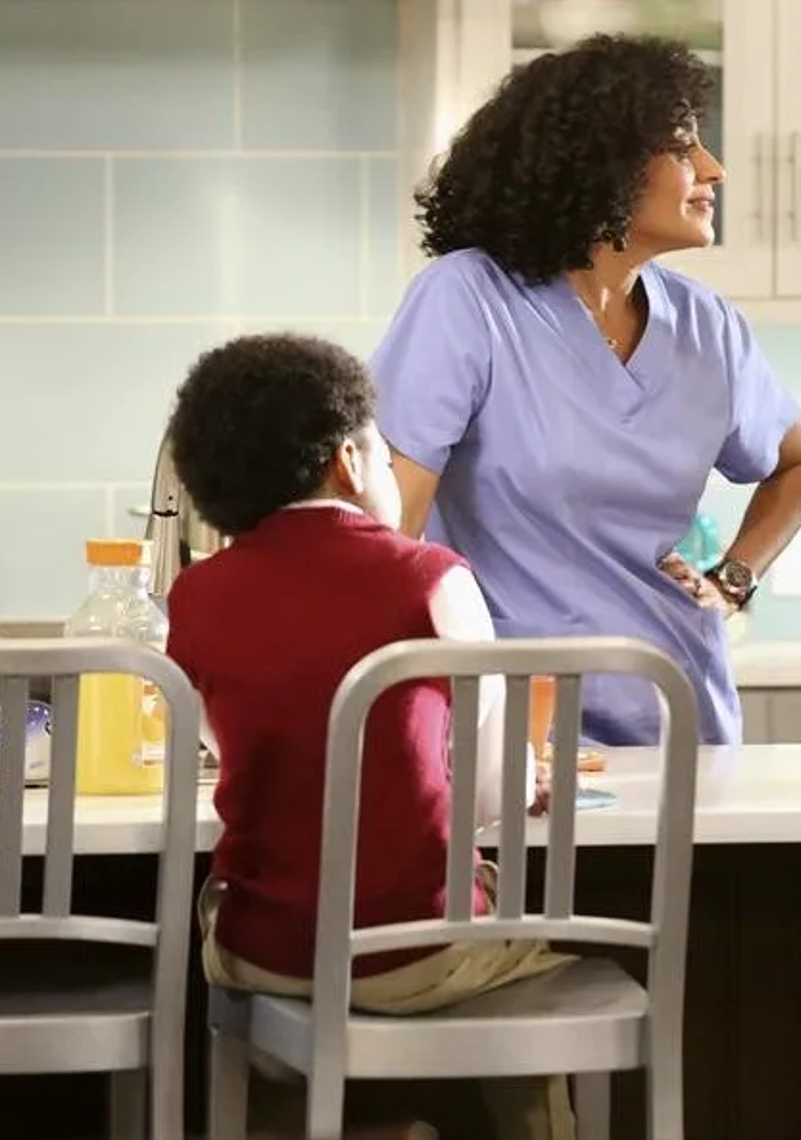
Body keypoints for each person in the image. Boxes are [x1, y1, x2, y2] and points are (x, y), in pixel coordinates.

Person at [165, 333, 572, 1140]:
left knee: (264, 1000)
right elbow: (488, 790)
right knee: (533, 974)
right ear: (348, 461)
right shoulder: (433, 579)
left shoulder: (197, 594)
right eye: (385, 455)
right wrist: (529, 780)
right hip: (414, 950)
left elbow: (230, 746)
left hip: (265, 947)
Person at [371, 34, 801, 747]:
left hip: (681, 718)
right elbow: (389, 540)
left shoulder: (709, 327)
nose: (714, 168)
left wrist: (732, 579)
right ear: (601, 166)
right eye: (682, 148)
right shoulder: (465, 301)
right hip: (512, 739)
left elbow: (800, 464)